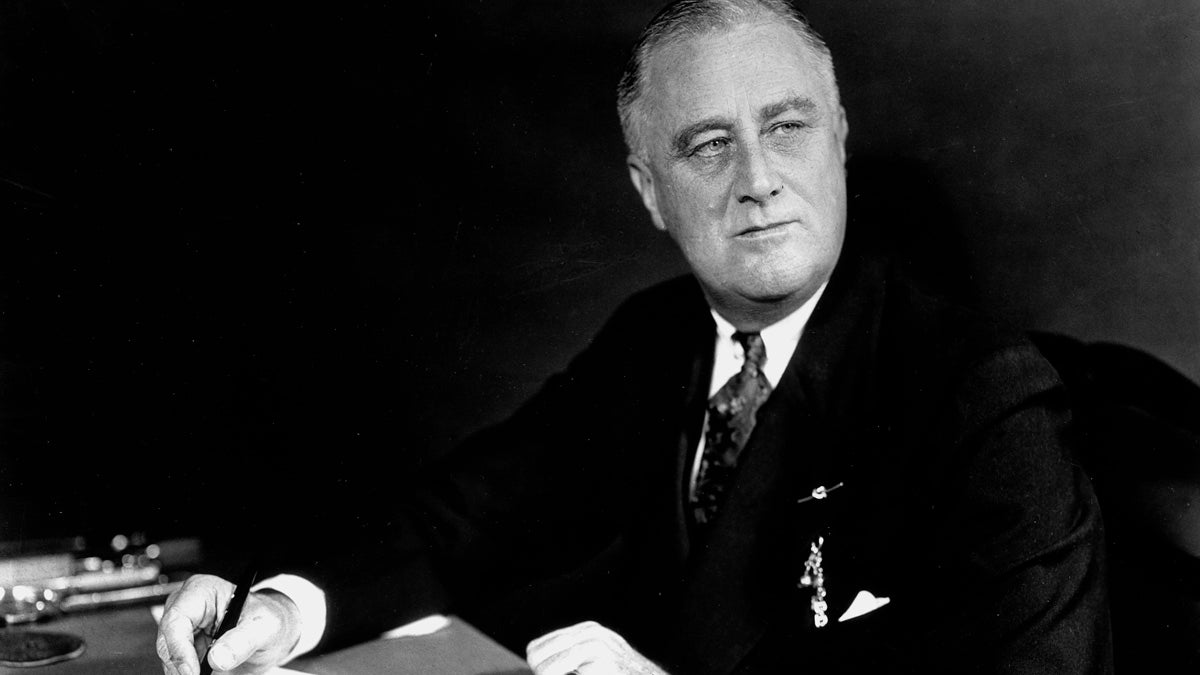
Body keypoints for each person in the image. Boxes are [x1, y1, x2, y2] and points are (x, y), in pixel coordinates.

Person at [157, 1, 1112, 673]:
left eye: (786, 127)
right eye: (706, 145)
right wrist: (281, 608)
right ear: (649, 191)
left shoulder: (984, 390)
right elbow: (461, 524)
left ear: (839, 140)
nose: (758, 179)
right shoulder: (654, 340)